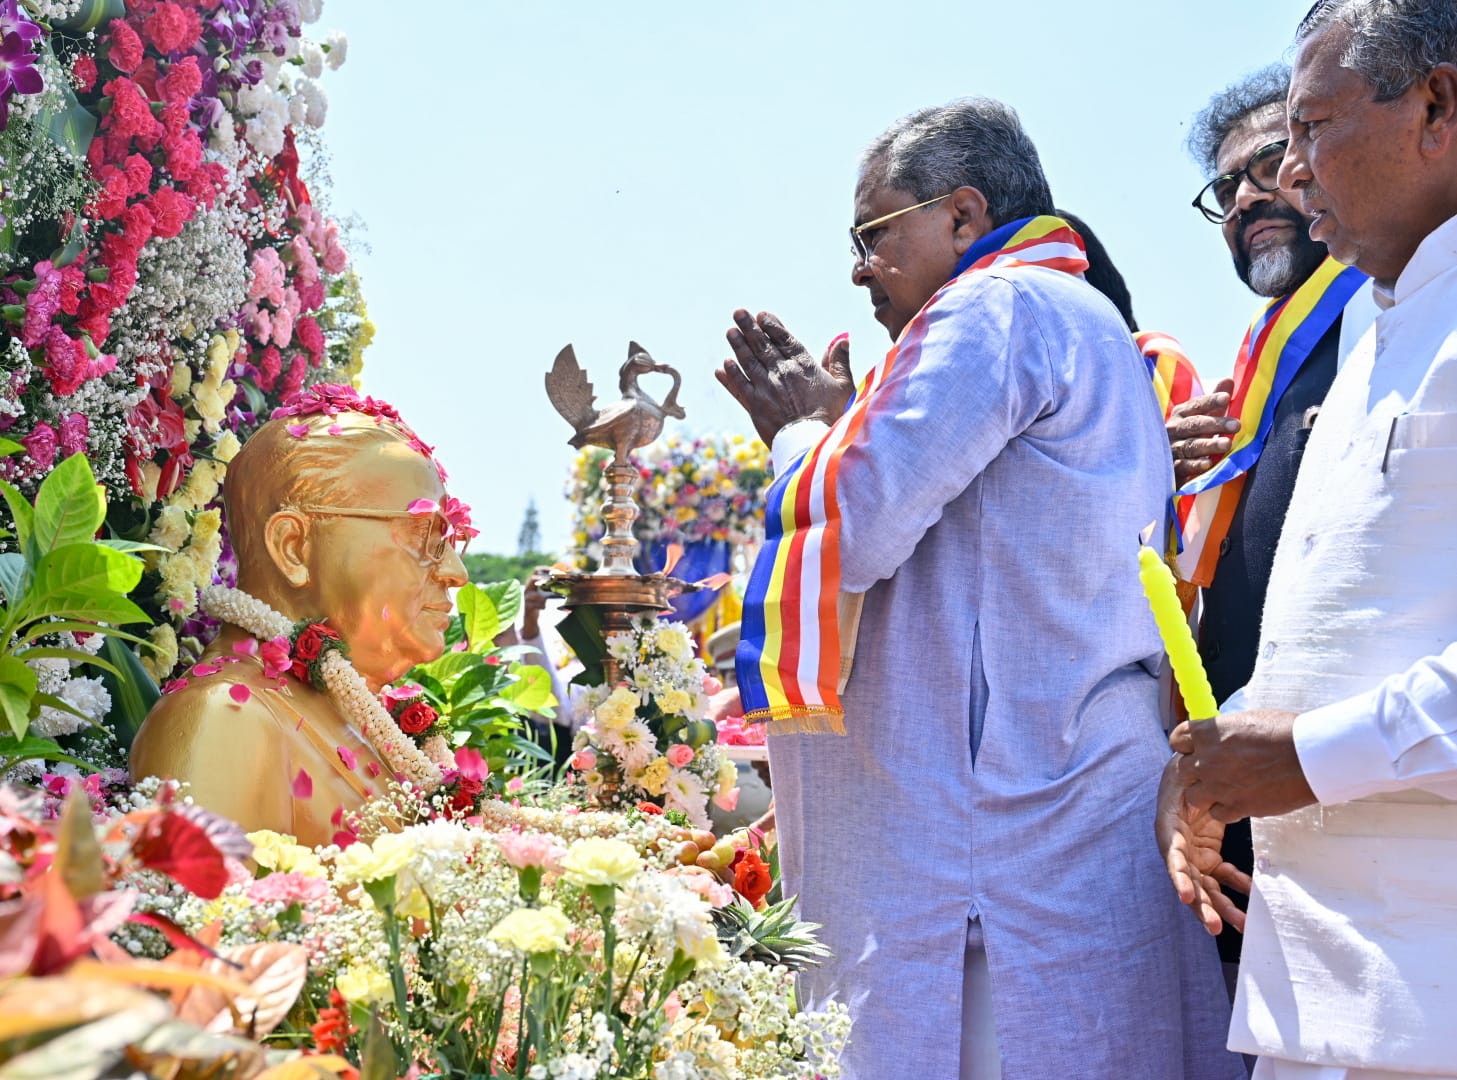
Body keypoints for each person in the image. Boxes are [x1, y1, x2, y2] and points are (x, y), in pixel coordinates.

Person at [717, 98, 1238, 1079]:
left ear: (961, 215)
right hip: (1065, 813)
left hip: (1001, 851)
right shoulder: (1082, 321)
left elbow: (860, 517)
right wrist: (843, 423)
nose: (857, 268)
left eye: (873, 233)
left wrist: (798, 433)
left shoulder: (994, 307)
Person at [1161, 2, 1457, 1076]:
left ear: (1437, 103)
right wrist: (1215, 760)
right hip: (1319, 1000)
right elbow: (1338, 629)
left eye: (1308, 129)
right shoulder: (1376, 325)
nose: (1287, 174)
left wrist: (1299, 758)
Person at [1170, 64, 1374, 991]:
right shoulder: (1255, 374)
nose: (1247, 196)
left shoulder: (1389, 325)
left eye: (1268, 161)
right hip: (1245, 808)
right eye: (1224, 188)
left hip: (1367, 795)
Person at [131, 387, 471, 846]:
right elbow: (208, 915)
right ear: (293, 547)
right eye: (425, 534)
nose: (456, 572)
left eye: (451, 538)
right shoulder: (227, 717)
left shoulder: (355, 713)